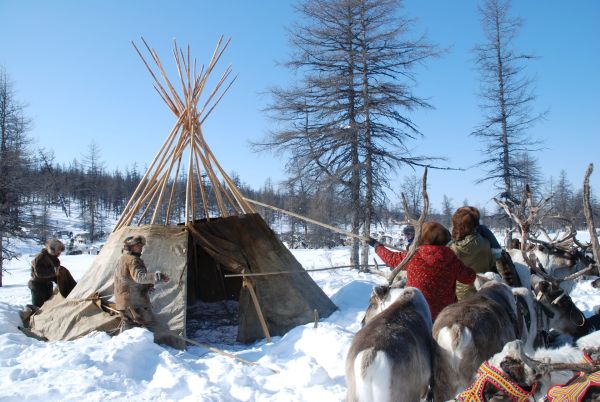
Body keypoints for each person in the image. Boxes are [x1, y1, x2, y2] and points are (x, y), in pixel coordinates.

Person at [367, 221, 476, 320]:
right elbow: (469, 278)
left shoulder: (413, 256)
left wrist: (377, 246)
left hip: (416, 313)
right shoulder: (452, 259)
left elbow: (391, 258)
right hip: (444, 315)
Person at [113, 235, 171, 341]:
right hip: (135, 303)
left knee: (129, 327)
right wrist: (158, 276)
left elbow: (127, 279)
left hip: (123, 302)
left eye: (141, 245)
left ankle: (126, 349)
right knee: (151, 325)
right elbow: (139, 277)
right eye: (138, 245)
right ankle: (155, 350)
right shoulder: (133, 260)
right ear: (130, 247)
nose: (141, 248)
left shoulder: (122, 259)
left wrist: (146, 286)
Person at [450, 208, 496, 301]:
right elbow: (492, 263)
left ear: (460, 227)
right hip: (485, 292)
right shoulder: (487, 242)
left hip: (462, 296)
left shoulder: (455, 249)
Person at [29, 239, 65, 308]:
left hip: (48, 286)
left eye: (60, 252)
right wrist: (54, 271)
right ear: (52, 250)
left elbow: (55, 276)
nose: (59, 254)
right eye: (58, 252)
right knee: (38, 308)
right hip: (37, 286)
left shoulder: (56, 260)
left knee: (48, 307)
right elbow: (39, 273)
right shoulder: (40, 257)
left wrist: (61, 281)